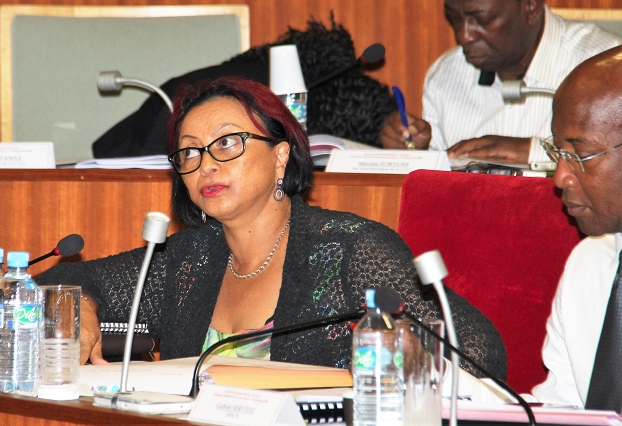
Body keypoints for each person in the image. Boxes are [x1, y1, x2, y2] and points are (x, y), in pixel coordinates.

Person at [36, 76, 507, 378]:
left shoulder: (351, 250)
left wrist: (358, 382)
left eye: (228, 143)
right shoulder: (189, 259)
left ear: (281, 155)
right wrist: (80, 307)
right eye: (190, 151)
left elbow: (477, 351)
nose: (206, 164)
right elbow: (62, 279)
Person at [380, 0, 621, 164]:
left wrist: (535, 151)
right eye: (454, 18)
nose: (464, 35)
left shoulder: (604, 68)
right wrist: (414, 154)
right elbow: (437, 180)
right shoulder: (445, 77)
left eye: (482, 20)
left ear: (531, 6)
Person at [531, 45, 622, 410]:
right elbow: (562, 409)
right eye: (558, 152)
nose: (560, 177)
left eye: (580, 155)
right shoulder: (589, 263)